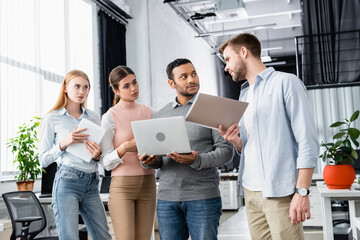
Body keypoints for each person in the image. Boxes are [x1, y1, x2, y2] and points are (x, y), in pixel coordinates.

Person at [218, 33, 319, 240]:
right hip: (250, 190)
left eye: (228, 59)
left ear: (243, 52)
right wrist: (237, 142)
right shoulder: (244, 94)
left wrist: (302, 192)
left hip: (280, 191)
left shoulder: (286, 83)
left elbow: (307, 140)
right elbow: (252, 145)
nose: (226, 67)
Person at [140, 58, 233, 240]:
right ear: (171, 83)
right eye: (184, 76)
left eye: (193, 74)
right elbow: (159, 157)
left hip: (203, 197)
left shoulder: (212, 109)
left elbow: (226, 152)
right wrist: (149, 162)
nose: (191, 79)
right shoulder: (160, 115)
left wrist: (196, 160)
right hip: (167, 199)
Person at [39, 70, 111, 240]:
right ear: (65, 88)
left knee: (103, 237)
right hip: (67, 182)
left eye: (86, 87)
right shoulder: (52, 118)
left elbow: (100, 155)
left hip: (92, 182)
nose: (82, 92)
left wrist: (97, 155)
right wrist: (64, 143)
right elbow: (43, 160)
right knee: (70, 237)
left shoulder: (93, 117)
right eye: (77, 86)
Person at [100, 66, 156, 240]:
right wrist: (123, 148)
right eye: (126, 86)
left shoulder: (151, 112)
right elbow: (105, 162)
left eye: (135, 82)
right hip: (123, 187)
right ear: (116, 90)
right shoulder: (110, 117)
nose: (134, 88)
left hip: (149, 184)